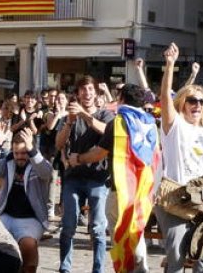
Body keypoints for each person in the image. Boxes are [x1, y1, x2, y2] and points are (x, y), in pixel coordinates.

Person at [71, 82, 159, 273]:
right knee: (137, 229)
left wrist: (78, 158)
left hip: (121, 189)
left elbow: (99, 154)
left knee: (120, 231)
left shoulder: (119, 122)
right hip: (144, 189)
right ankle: (141, 267)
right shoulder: (150, 123)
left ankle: (126, 268)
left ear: (121, 99)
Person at [155, 42, 203, 273]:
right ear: (183, 102)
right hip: (173, 196)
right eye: (192, 101)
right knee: (176, 255)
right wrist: (170, 65)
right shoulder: (174, 124)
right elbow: (165, 96)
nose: (197, 105)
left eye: (202, 102)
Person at [55, 75, 115, 273]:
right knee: (68, 225)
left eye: (90, 89)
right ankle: (65, 268)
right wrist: (70, 123)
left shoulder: (105, 115)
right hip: (73, 177)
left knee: (98, 229)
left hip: (98, 178)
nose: (87, 93)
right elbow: (59, 143)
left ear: (96, 92)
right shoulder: (69, 117)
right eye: (83, 89)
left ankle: (98, 269)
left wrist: (84, 115)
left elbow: (107, 131)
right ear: (77, 94)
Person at [0, 126, 53, 273]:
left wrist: (31, 149)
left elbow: (46, 172)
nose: (20, 156)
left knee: (28, 245)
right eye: (16, 153)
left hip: (31, 218)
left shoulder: (38, 162)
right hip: (6, 215)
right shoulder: (9, 161)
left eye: (24, 153)